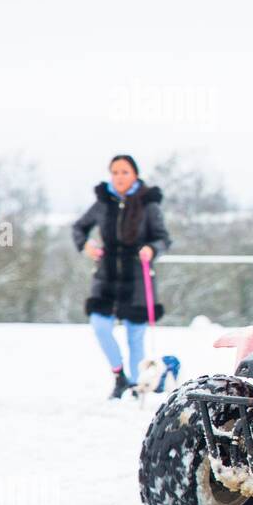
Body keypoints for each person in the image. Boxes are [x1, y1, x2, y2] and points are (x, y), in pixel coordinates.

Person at [71, 155, 172, 398]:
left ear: (134, 175)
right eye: (114, 172)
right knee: (100, 326)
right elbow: (79, 228)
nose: (119, 177)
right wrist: (86, 245)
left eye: (124, 172)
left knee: (135, 337)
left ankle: (137, 385)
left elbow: (163, 237)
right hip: (106, 276)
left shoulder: (149, 204)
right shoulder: (103, 203)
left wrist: (152, 248)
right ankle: (120, 375)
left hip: (137, 276)